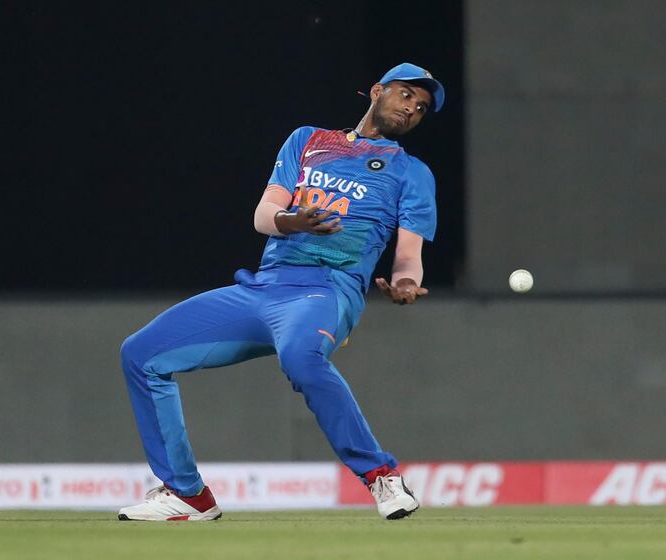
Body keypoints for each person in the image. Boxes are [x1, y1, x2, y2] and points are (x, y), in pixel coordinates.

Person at [118, 62, 444, 521]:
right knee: (140, 354)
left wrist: (407, 283)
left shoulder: (412, 173)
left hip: (328, 289)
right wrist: (289, 222)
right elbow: (263, 214)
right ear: (376, 91)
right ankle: (187, 494)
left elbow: (408, 255)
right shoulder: (308, 140)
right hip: (265, 287)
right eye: (406, 94)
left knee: (301, 359)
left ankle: (382, 477)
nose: (412, 107)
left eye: (422, 107)